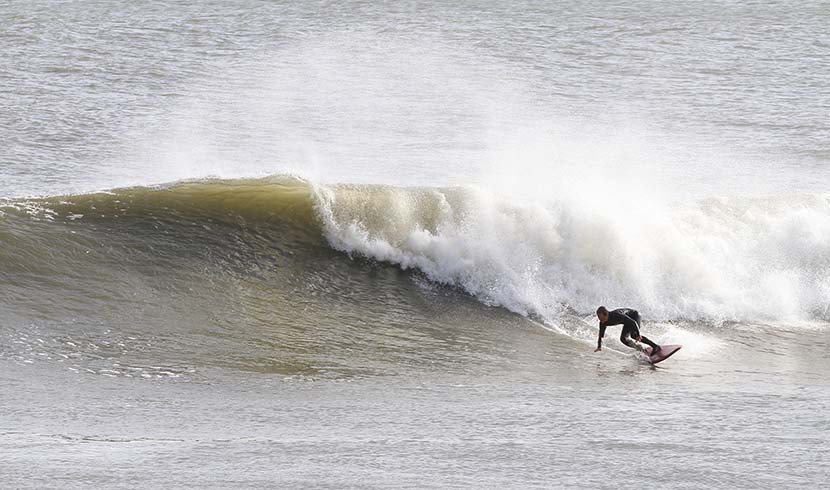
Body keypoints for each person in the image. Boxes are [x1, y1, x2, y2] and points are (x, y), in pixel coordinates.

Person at [594, 306, 661, 355]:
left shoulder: (617, 315)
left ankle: (656, 346)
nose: (599, 319)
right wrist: (599, 346)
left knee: (634, 336)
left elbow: (633, 322)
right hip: (627, 322)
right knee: (623, 339)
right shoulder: (602, 323)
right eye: (598, 317)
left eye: (600, 317)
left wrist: (638, 335)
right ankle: (640, 349)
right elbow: (601, 335)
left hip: (635, 316)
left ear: (605, 314)